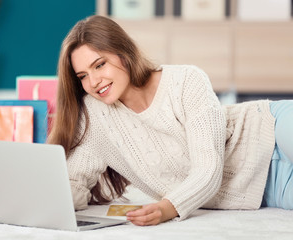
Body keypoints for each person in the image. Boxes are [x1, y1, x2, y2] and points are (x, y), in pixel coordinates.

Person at [47, 15, 293, 226]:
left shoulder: (186, 81)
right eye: (83, 76)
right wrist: (33, 199)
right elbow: (72, 184)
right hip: (272, 188)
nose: (93, 81)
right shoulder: (96, 118)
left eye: (100, 65)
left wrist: (168, 208)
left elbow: (209, 168)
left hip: (271, 129)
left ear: (124, 54)